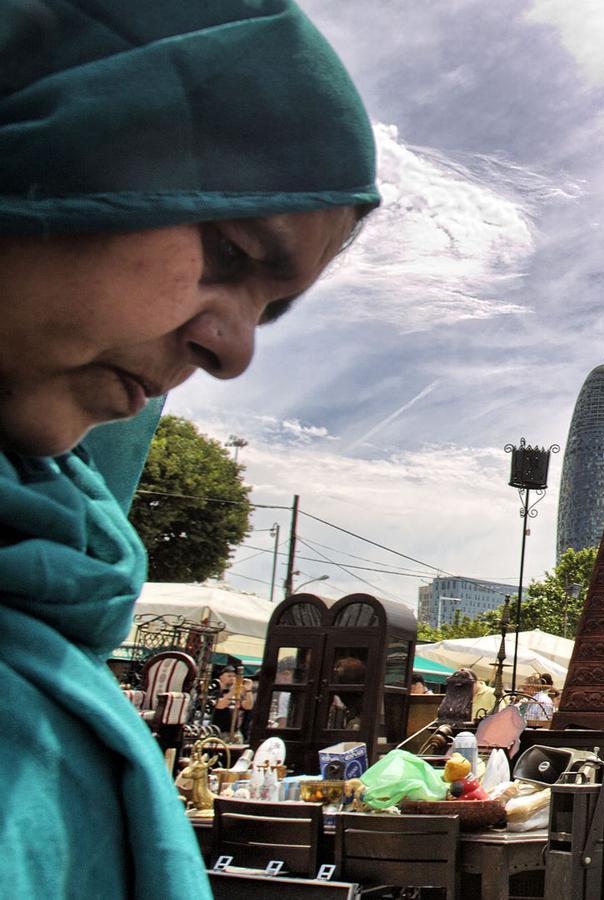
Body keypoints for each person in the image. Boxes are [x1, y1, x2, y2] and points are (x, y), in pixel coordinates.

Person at [0, 3, 378, 896]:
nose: (237, 350)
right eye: (230, 248)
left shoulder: (66, 567)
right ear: (46, 137)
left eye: (271, 309)